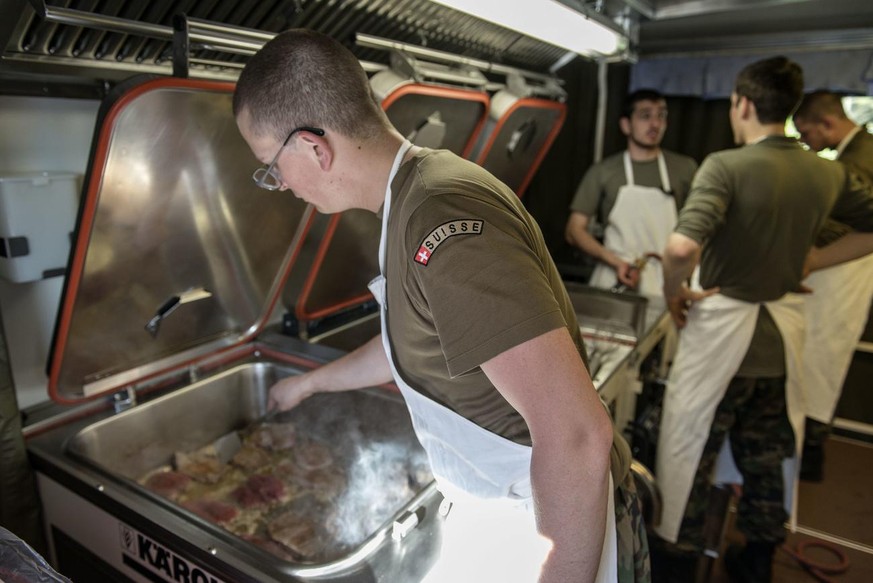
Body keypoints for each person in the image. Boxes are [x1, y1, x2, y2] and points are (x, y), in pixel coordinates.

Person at [232, 29, 649, 583]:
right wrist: (309, 384)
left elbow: (575, 435)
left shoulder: (440, 222)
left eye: (270, 166)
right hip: (514, 511)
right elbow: (419, 338)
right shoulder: (410, 199)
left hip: (560, 524)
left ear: (313, 146)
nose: (278, 184)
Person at [654, 56, 873, 583]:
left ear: (743, 104)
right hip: (781, 340)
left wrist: (674, 292)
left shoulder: (727, 166)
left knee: (690, 444)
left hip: (721, 336)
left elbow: (681, 245)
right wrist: (811, 261)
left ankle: (675, 560)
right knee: (769, 454)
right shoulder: (827, 171)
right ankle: (756, 560)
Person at [791, 90, 873, 481]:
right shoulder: (852, 154)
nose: (806, 141)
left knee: (821, 362)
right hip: (837, 277)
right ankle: (808, 452)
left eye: (807, 132)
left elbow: (848, 223)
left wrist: (809, 255)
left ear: (827, 122)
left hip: (843, 280)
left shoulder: (861, 159)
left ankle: (810, 455)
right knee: (819, 362)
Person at [565, 89, 698, 296]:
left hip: (666, 281)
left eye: (661, 115)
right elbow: (574, 230)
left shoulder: (685, 168)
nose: (655, 124)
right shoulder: (604, 171)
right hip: (614, 279)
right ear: (626, 125)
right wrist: (615, 262)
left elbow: (700, 230)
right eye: (645, 116)